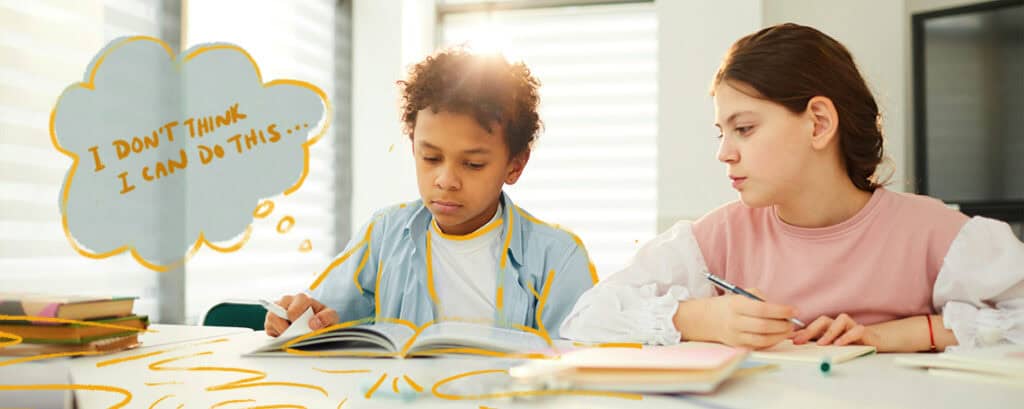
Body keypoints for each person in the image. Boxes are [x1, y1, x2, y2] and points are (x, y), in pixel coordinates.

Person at [560, 23, 1023, 352]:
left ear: (818, 123)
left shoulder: (933, 233)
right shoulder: (716, 238)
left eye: (744, 129)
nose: (724, 153)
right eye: (721, 132)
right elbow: (586, 317)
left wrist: (903, 333)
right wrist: (698, 318)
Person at [264, 48, 597, 339]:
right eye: (431, 158)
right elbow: (323, 314)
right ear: (413, 148)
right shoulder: (384, 234)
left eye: (473, 164)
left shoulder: (558, 258)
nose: (446, 180)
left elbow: (575, 366)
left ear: (515, 165)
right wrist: (296, 317)